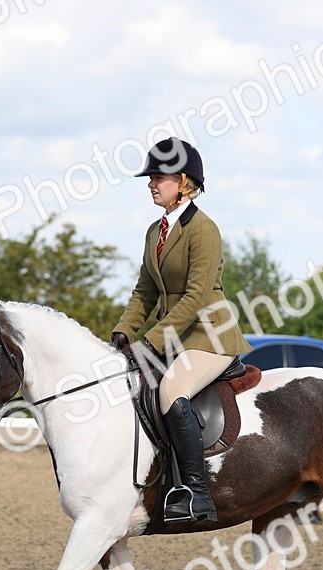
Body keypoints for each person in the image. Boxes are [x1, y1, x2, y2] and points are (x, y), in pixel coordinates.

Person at [110, 138, 251, 523]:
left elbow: (195, 297)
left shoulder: (204, 229)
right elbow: (145, 291)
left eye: (159, 176)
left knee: (172, 389)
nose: (151, 183)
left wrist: (152, 340)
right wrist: (124, 331)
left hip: (209, 335)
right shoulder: (155, 230)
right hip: (175, 334)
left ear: (184, 182)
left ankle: (196, 493)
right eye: (150, 177)